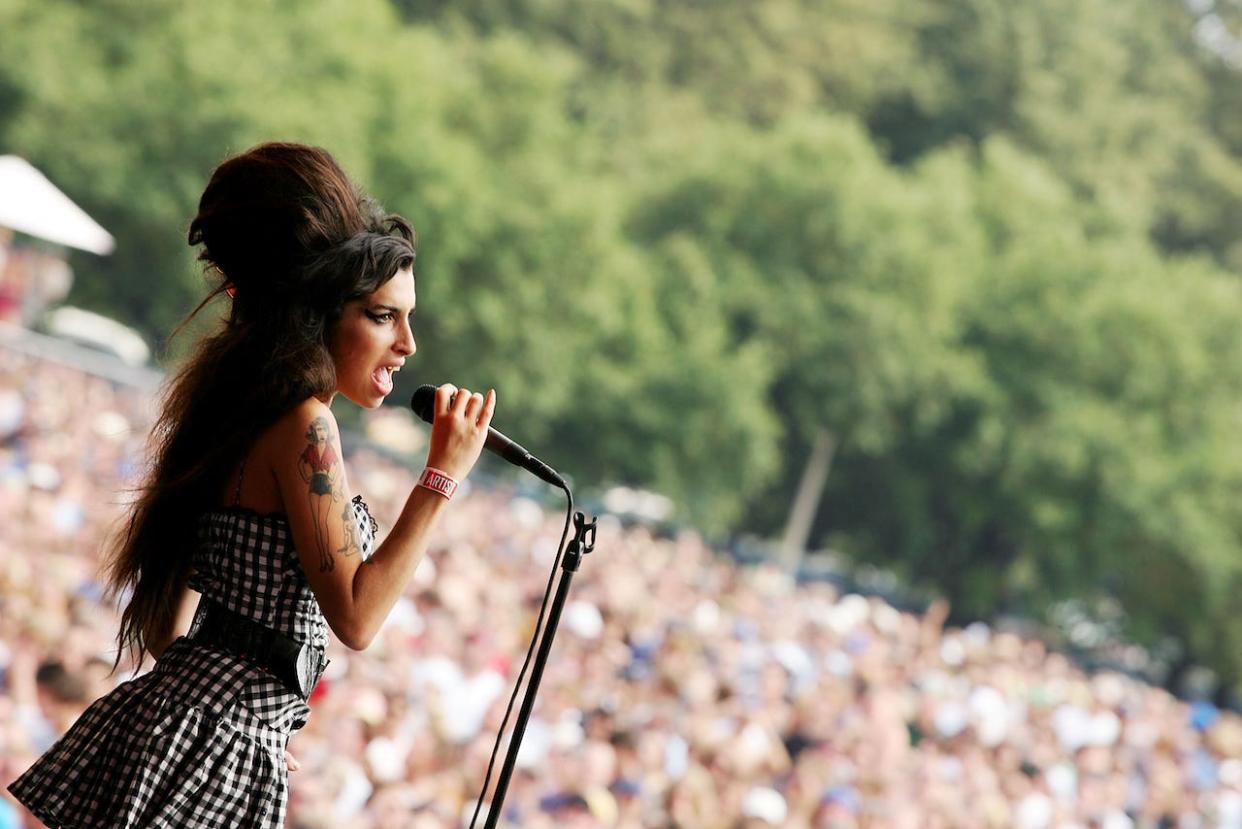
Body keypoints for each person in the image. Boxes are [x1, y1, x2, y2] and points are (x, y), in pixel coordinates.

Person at [6, 142, 496, 828]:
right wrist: (440, 478)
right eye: (384, 315)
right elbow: (356, 615)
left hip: (200, 732)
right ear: (324, 315)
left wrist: (243, 715)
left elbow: (171, 602)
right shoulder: (306, 427)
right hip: (207, 740)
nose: (408, 343)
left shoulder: (245, 404)